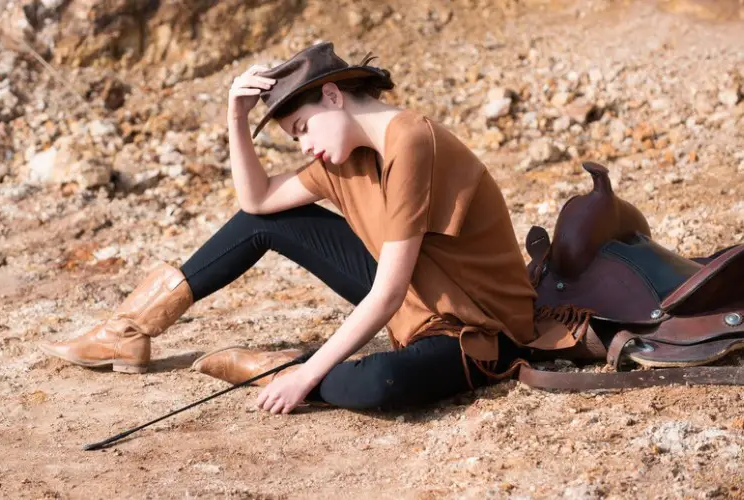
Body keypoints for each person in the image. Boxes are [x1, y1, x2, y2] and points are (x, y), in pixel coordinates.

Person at [40, 42, 538, 414]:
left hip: (477, 327)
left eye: (302, 129)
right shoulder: (344, 154)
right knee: (265, 221)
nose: (303, 145)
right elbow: (257, 202)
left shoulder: (411, 142)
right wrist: (235, 116)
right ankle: (127, 331)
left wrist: (309, 376)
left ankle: (279, 369)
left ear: (332, 96)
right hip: (418, 297)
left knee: (376, 386)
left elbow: (385, 296)